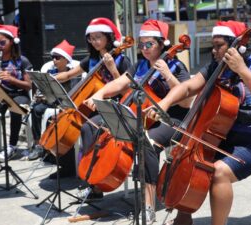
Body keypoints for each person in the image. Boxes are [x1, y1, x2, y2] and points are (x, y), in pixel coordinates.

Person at [146, 20, 251, 225]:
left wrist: (242, 70)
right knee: (185, 161)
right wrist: (164, 103)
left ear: (237, 46)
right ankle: (183, 218)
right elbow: (188, 87)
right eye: (214, 45)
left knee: (219, 172)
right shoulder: (216, 67)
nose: (214, 50)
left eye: (219, 45)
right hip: (226, 136)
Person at [81, 19, 192, 224]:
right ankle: (95, 183)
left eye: (148, 44)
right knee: (93, 124)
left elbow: (187, 102)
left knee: (146, 142)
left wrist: (168, 75)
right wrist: (100, 95)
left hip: (172, 119)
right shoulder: (140, 64)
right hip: (142, 116)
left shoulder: (176, 65)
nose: (143, 48)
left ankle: (148, 204)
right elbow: (120, 82)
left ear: (161, 43)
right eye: (141, 44)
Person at [51, 18, 131, 177]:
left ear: (108, 38)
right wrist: (50, 78)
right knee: (60, 123)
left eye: (98, 37)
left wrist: (113, 69)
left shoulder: (122, 60)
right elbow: (68, 74)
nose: (94, 41)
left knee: (88, 128)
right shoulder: (92, 60)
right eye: (91, 38)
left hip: (112, 107)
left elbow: (127, 93)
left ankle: (93, 172)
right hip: (93, 106)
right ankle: (69, 169)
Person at [0, 24, 33, 165]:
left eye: (2, 43)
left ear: (12, 41)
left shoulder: (22, 60)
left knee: (15, 108)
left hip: (19, 93)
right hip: (0, 94)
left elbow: (29, 85)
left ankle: (12, 145)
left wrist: (11, 79)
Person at [27, 39, 78, 161]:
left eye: (58, 57)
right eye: (53, 57)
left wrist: (48, 97)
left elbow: (71, 94)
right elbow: (45, 91)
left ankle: (51, 147)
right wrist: (41, 97)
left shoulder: (73, 73)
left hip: (64, 104)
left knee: (51, 115)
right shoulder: (50, 71)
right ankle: (38, 144)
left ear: (66, 59)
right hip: (50, 102)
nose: (54, 60)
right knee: (36, 109)